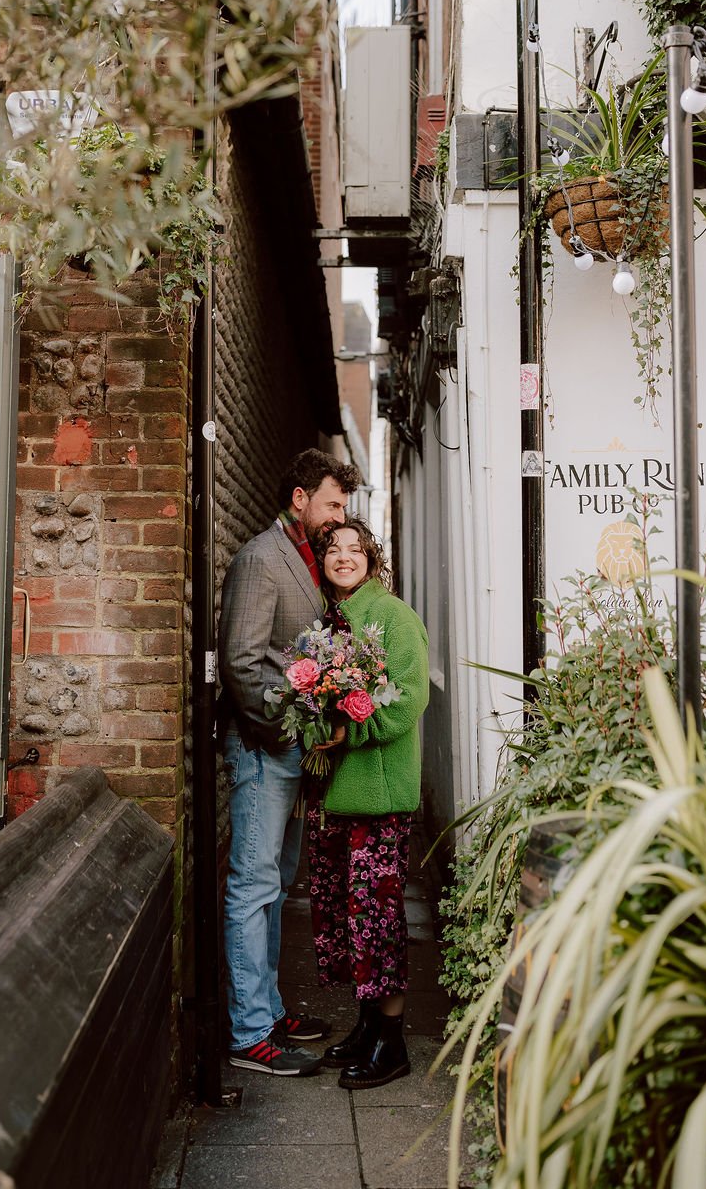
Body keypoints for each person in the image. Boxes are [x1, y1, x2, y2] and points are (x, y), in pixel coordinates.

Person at [219, 447, 362, 1076]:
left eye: (344, 507)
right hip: (263, 748)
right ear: (299, 499)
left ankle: (270, 1011)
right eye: (331, 503)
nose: (338, 518)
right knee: (252, 886)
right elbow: (243, 664)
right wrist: (286, 733)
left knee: (275, 884)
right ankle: (248, 1033)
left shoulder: (305, 557)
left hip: (293, 753)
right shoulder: (259, 559)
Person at [307, 517, 429, 1090]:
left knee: (377, 918)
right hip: (335, 795)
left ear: (372, 559)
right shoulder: (329, 622)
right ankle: (365, 1024)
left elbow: (407, 701)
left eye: (355, 549)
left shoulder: (395, 618)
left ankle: (393, 1041)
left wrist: (348, 732)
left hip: (377, 795)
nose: (344, 557)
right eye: (334, 549)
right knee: (345, 917)